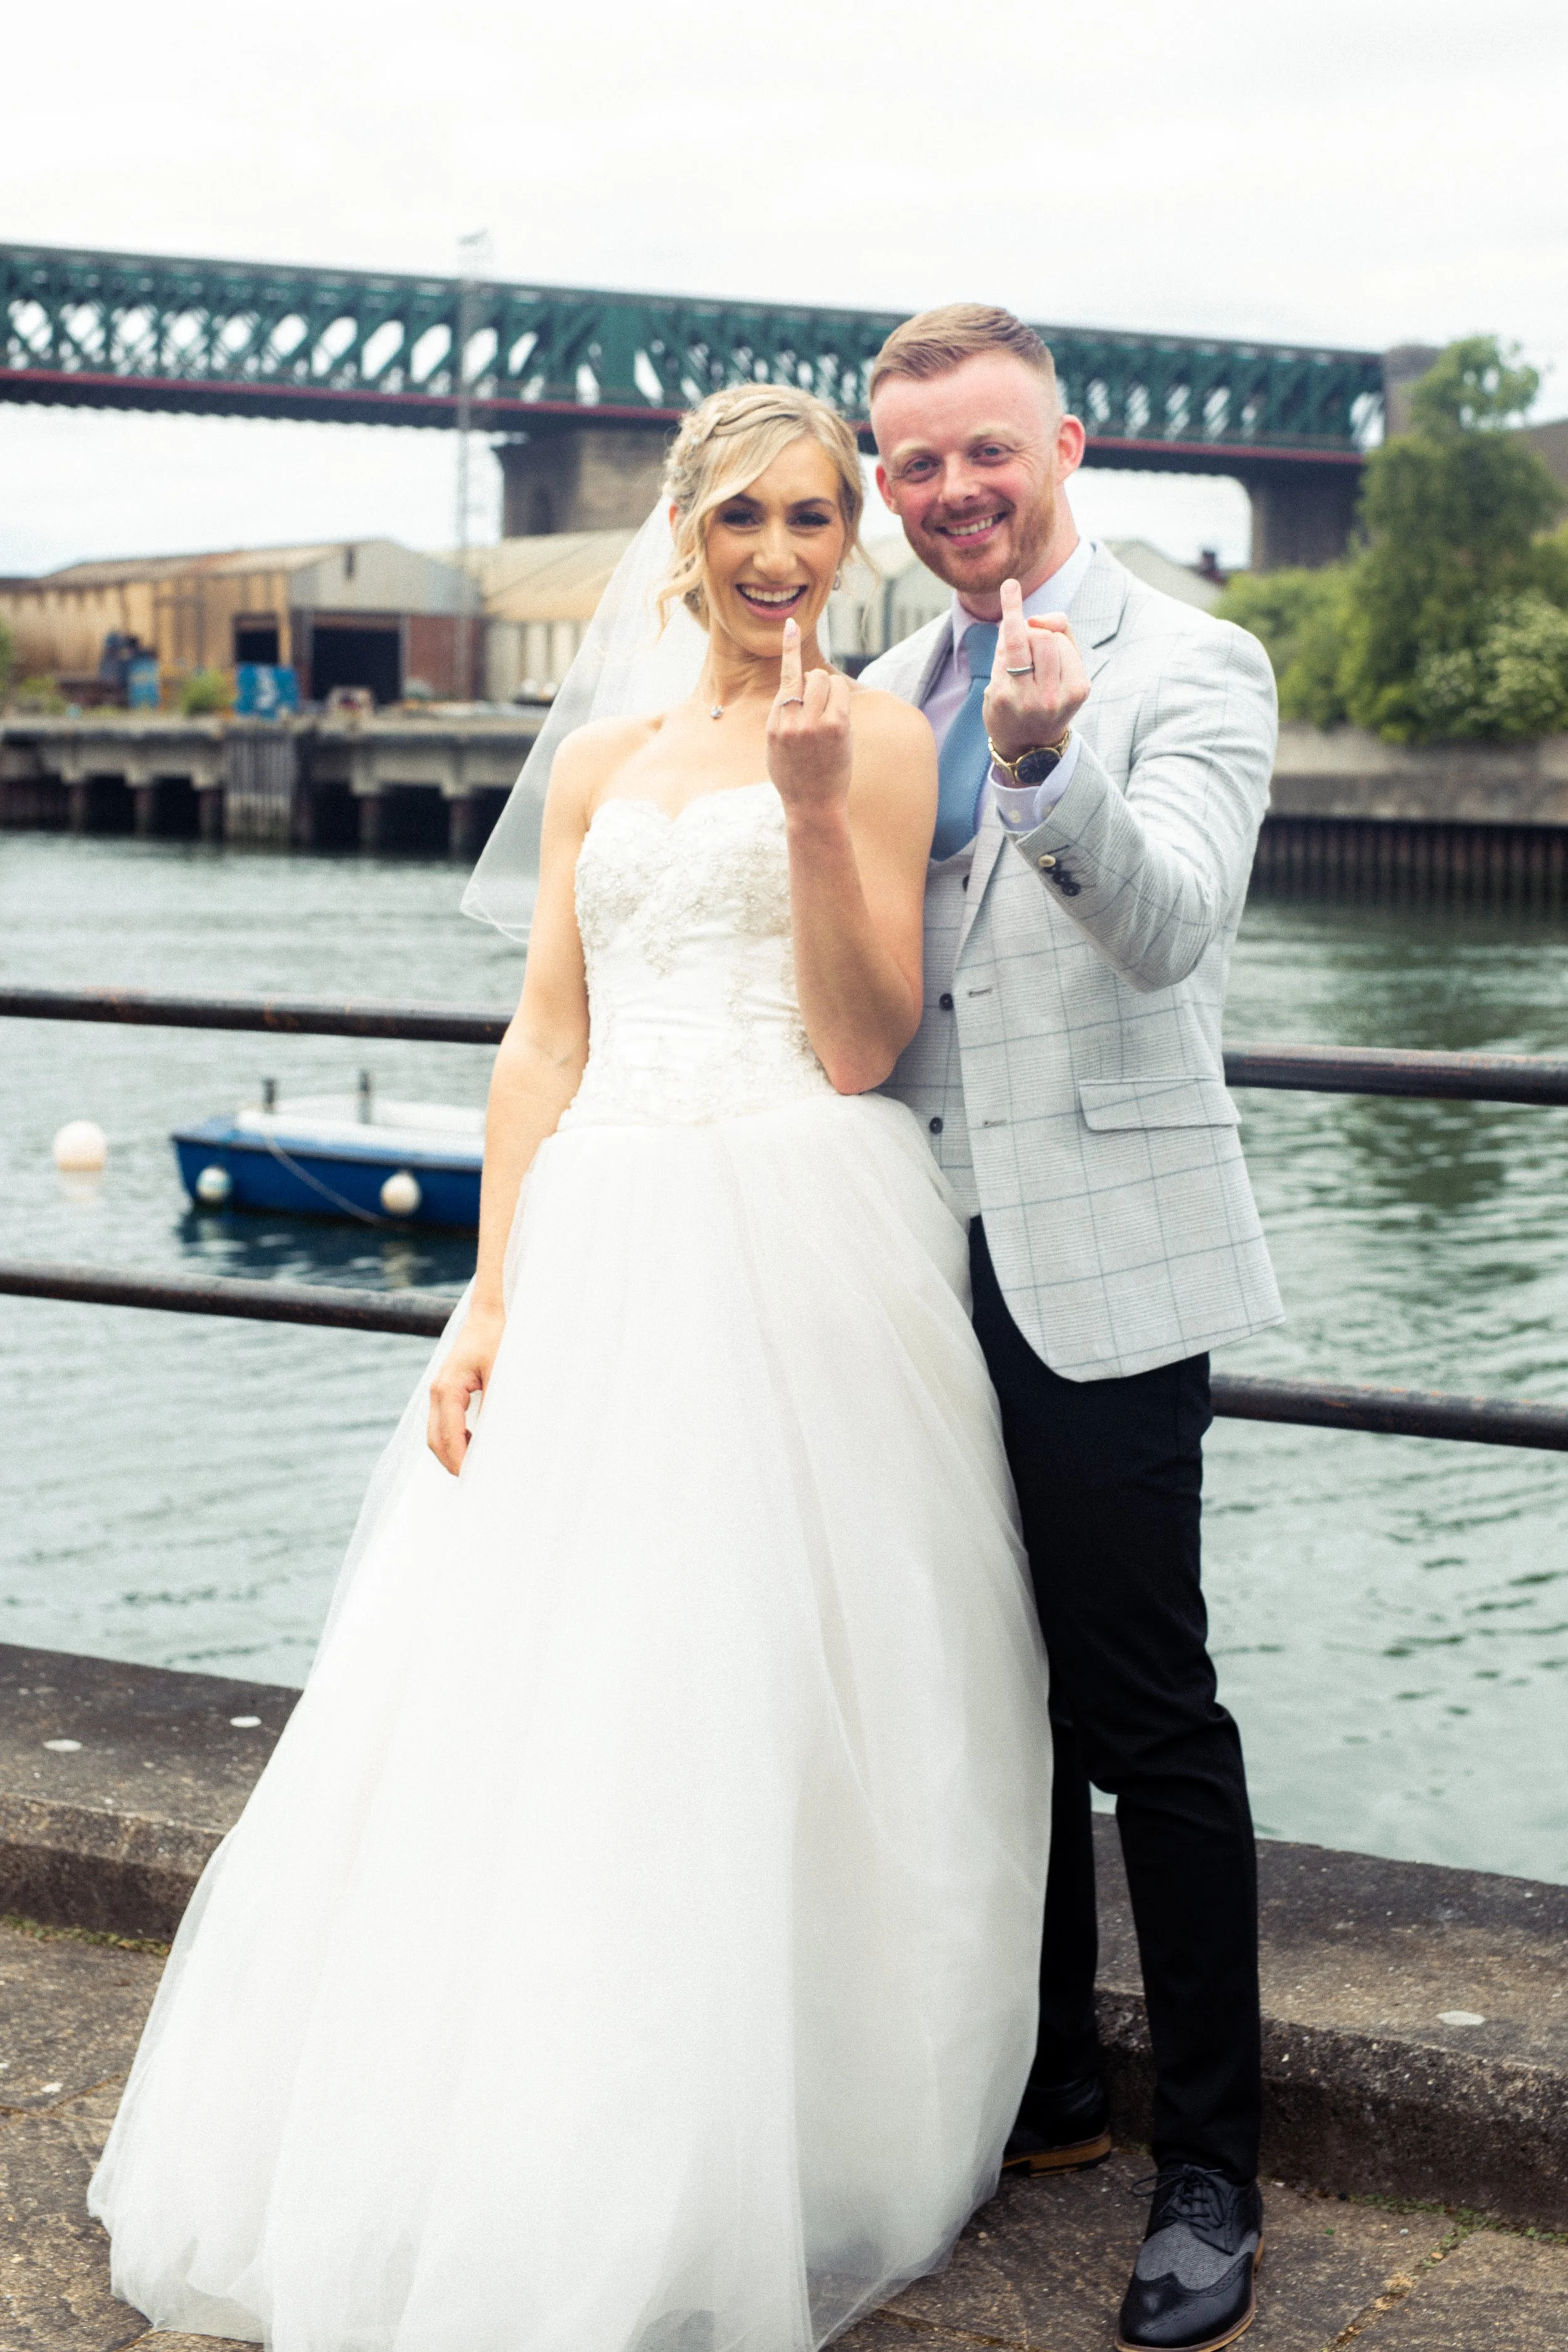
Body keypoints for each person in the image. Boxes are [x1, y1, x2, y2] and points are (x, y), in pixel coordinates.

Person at [88, 384, 1054, 2352]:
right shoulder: (603, 760)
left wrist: (801, 808)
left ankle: (773, 2122)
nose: (779, 554)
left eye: (811, 518)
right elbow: (542, 1040)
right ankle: (549, 2118)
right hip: (607, 1231)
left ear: (845, 537)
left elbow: (867, 1041)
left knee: (774, 1672)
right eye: (742, 522)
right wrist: (492, 1294)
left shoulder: (871, 737)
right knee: (563, 1680)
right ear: (682, 536)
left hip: (801, 1224)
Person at [861, 304, 1283, 2352]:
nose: (954, 491)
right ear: (887, 480)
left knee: (1145, 1712)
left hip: (1099, 1258)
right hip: (895, 1257)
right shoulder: (863, 683)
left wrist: (1041, 770)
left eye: (986, 452)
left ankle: (1211, 2163)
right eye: (917, 462)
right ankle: (1041, 2084)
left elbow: (1176, 917)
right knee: (968, 1682)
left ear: (1067, 442)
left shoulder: (1194, 658)